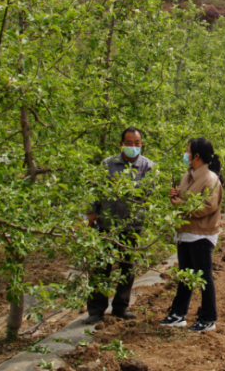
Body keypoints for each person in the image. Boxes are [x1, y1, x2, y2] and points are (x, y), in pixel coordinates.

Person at [84, 127, 154, 325]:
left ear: (141, 145)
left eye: (137, 143)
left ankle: (121, 307)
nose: (133, 146)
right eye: (129, 143)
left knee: (127, 268)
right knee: (101, 267)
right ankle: (96, 309)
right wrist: (92, 212)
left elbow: (147, 193)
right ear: (121, 144)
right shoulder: (108, 164)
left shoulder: (148, 166)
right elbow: (96, 190)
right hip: (107, 224)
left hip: (132, 226)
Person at [160, 137, 224, 333]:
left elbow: (206, 207)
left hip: (201, 235)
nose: (185, 153)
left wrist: (181, 204)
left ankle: (208, 318)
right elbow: (185, 198)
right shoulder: (188, 175)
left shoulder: (210, 179)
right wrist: (175, 196)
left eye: (187, 150)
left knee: (203, 277)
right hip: (185, 233)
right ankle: (178, 314)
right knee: (185, 276)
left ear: (196, 155)